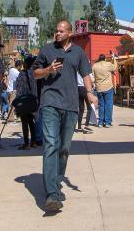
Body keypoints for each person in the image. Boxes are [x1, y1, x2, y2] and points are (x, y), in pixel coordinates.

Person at [32, 20, 96, 213]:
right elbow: (35, 73)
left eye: (61, 31)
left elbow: (85, 74)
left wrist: (90, 93)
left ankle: (57, 183)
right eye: (55, 31)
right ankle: (51, 194)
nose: (57, 34)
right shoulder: (47, 50)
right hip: (50, 102)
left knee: (64, 148)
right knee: (51, 144)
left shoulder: (78, 53)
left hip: (71, 106)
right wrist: (49, 70)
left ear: (70, 33)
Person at [12, 56, 39, 150]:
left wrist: (16, 101)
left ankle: (26, 143)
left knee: (24, 122)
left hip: (24, 101)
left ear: (26, 64)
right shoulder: (35, 73)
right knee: (31, 121)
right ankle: (34, 142)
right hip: (32, 100)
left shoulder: (22, 74)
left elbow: (18, 88)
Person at [92, 53, 117, 127]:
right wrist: (114, 58)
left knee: (101, 105)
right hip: (108, 87)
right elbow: (115, 67)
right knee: (108, 105)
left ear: (99, 59)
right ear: (105, 59)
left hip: (99, 88)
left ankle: (100, 122)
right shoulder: (108, 64)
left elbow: (92, 77)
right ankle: (107, 122)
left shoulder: (94, 66)